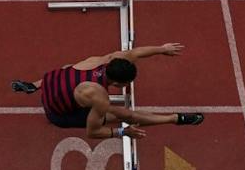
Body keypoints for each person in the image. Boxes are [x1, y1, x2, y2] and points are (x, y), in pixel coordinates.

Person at [12, 42, 202, 140]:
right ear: (117, 83)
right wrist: (122, 132)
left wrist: (162, 49)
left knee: (69, 67)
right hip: (57, 113)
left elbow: (135, 53)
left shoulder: (106, 59)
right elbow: (93, 132)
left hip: (49, 83)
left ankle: (33, 85)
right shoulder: (100, 97)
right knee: (123, 114)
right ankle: (174, 119)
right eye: (127, 84)